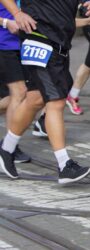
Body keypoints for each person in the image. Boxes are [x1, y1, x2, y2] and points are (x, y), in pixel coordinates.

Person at [0, 0, 90, 183]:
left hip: (60, 42)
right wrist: (16, 13)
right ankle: (64, 165)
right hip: (38, 37)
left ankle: (6, 149)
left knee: (35, 98)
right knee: (56, 101)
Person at [0, 0, 31, 164]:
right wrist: (5, 22)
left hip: (20, 44)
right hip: (3, 44)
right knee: (19, 93)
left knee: (19, 97)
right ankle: (9, 147)